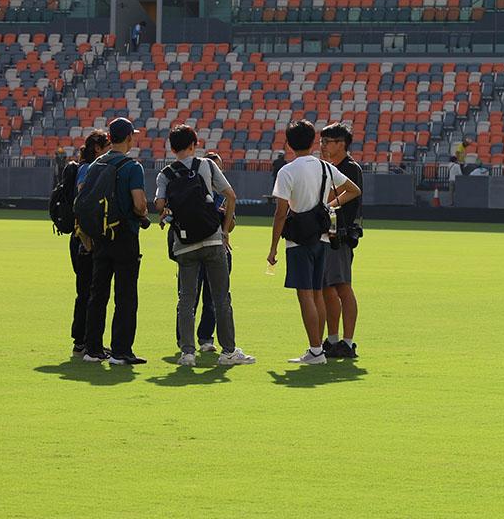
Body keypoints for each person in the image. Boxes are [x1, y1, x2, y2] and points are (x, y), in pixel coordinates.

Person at [155, 127, 253, 366]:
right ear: (194, 143)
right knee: (221, 297)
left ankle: (187, 352)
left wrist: (168, 211)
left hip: (184, 243)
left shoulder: (165, 174)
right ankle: (228, 351)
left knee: (186, 299)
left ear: (172, 147)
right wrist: (226, 229)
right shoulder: (207, 166)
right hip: (212, 239)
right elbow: (230, 195)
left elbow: (159, 204)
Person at [267, 120, 361, 365]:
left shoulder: (287, 171)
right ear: (312, 142)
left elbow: (281, 212)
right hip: (322, 237)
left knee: (306, 295)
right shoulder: (326, 168)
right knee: (319, 293)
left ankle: (316, 350)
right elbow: (353, 190)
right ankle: (319, 347)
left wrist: (273, 246)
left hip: (298, 238)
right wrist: (329, 206)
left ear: (288, 143)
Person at [82, 117, 150, 365]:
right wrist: (142, 215)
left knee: (98, 293)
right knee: (125, 295)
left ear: (110, 138)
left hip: (100, 235)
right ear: (129, 138)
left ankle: (93, 348)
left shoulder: (96, 165)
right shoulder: (132, 167)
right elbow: (139, 203)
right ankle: (121, 350)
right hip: (124, 235)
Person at [318, 122, 364, 359]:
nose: (323, 145)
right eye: (322, 141)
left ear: (342, 144)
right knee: (327, 288)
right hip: (325, 235)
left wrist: (325, 206)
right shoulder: (328, 167)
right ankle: (333, 339)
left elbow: (332, 198)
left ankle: (348, 341)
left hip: (341, 236)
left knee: (342, 287)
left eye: (327, 141)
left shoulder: (350, 168)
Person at [68, 130, 110, 360]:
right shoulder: (89, 169)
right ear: (97, 148)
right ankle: (84, 342)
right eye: (107, 145)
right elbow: (84, 203)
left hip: (82, 237)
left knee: (86, 291)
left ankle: (84, 341)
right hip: (85, 238)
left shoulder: (88, 168)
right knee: (89, 292)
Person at [188, 151, 232, 353]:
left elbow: (230, 226)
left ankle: (206, 338)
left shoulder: (223, 196)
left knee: (212, 298)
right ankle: (185, 339)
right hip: (196, 246)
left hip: (217, 246)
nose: (219, 172)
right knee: (190, 296)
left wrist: (224, 220)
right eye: (216, 168)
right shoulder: (192, 191)